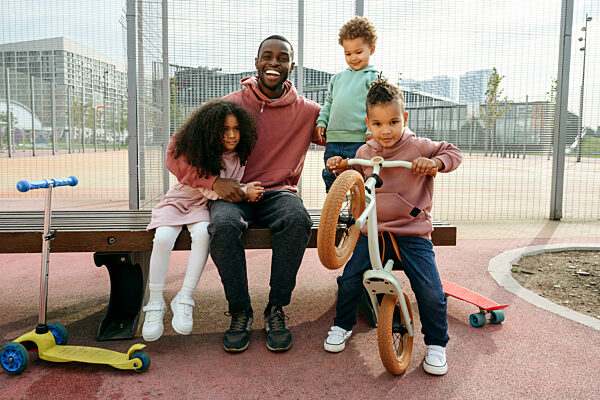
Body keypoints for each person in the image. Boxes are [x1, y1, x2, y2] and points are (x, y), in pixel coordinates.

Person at [167, 35, 324, 353]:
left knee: (297, 219)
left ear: (291, 67)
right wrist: (212, 183)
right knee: (222, 226)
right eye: (267, 56)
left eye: (282, 58)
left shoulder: (308, 111)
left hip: (279, 192)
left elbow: (349, 131)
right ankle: (239, 311)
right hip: (234, 190)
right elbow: (176, 151)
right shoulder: (230, 105)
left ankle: (276, 309)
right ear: (256, 63)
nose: (274, 63)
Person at [323, 77, 462, 376]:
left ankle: (437, 344)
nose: (385, 131)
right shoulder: (364, 152)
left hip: (412, 233)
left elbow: (453, 152)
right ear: (368, 123)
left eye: (393, 122)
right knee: (349, 280)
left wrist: (435, 163)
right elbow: (353, 182)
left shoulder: (418, 146)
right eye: (377, 123)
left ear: (405, 119)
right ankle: (342, 325)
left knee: (430, 290)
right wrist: (339, 165)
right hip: (373, 231)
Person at [142, 100, 263, 342]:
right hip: (178, 202)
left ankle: (185, 296)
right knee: (163, 238)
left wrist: (244, 189)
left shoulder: (239, 156)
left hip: (202, 207)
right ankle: (155, 301)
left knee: (204, 235)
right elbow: (207, 186)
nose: (231, 135)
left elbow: (215, 193)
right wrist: (243, 190)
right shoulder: (200, 149)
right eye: (224, 129)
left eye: (236, 129)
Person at [316, 16, 381, 192]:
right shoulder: (337, 78)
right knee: (331, 174)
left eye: (358, 52)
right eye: (348, 53)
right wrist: (322, 122)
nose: (353, 58)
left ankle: (356, 216)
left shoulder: (373, 77)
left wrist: (371, 130)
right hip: (334, 141)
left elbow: (377, 108)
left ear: (371, 49)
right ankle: (336, 214)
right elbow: (329, 102)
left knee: (357, 179)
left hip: (359, 140)